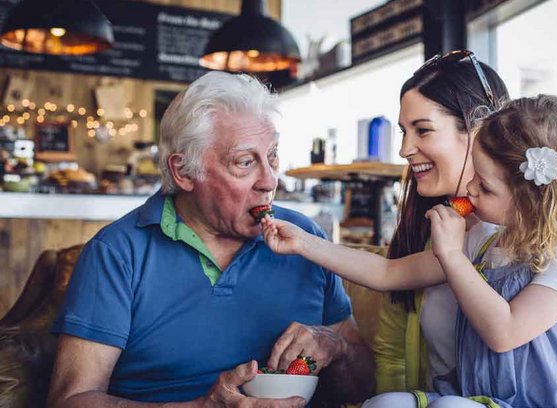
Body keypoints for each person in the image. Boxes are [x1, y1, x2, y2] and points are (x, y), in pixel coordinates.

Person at [262, 94, 557, 407]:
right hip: (473, 397)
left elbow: (504, 332)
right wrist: (305, 243)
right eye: (474, 176)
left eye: (485, 186)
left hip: (533, 403)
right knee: (385, 403)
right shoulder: (486, 243)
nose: (470, 190)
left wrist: (451, 256)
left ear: (531, 199)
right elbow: (389, 273)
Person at [47, 71, 374, 407]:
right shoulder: (116, 253)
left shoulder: (306, 241)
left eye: (272, 155)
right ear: (184, 172)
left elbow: (364, 388)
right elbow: (70, 400)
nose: (269, 180)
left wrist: (337, 346)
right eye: (245, 162)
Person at [371, 51, 557, 408]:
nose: (405, 149)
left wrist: (451, 256)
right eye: (404, 132)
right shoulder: (444, 238)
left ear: (480, 128)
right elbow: (391, 347)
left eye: (423, 130)